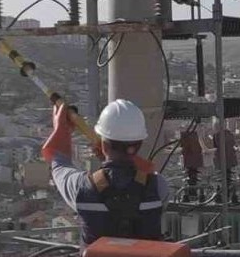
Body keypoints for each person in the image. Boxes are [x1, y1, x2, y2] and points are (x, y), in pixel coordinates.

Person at [42, 99, 170, 245]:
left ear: (103, 144)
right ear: (139, 144)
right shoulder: (159, 186)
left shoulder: (82, 187)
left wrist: (61, 129)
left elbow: (59, 165)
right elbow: (133, 185)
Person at [203, 122, 238, 202]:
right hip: (230, 160)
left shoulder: (217, 135)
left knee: (223, 178)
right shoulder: (230, 134)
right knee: (228, 177)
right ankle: (228, 195)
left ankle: (223, 195)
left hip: (221, 160)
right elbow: (233, 144)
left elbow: (217, 148)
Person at [179, 127, 204, 201]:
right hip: (194, 160)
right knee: (193, 177)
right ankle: (193, 194)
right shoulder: (194, 137)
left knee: (191, 177)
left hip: (190, 160)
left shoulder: (187, 137)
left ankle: (191, 194)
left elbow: (184, 148)